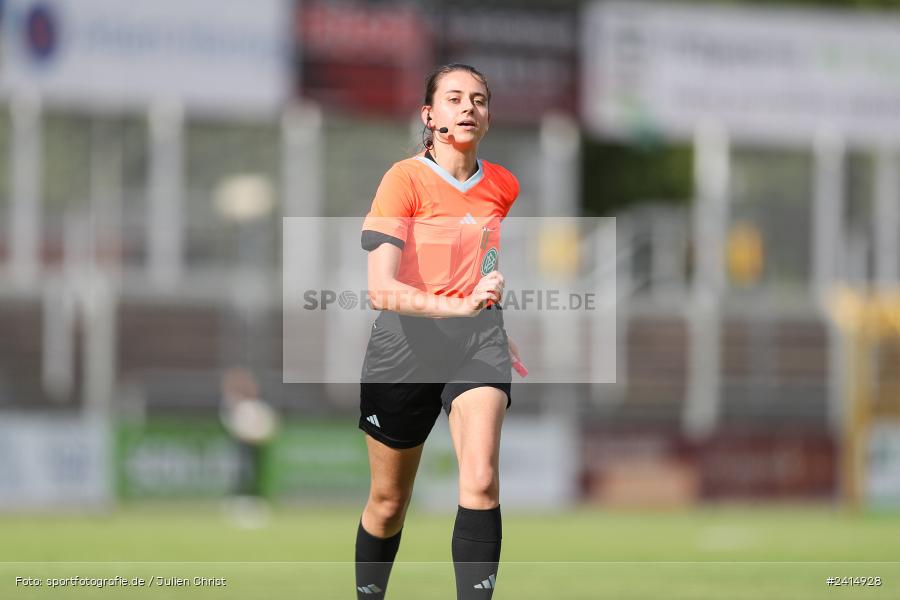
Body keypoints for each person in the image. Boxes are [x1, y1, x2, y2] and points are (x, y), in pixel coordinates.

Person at [355, 64, 524, 599]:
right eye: (454, 98)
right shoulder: (403, 180)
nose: (468, 107)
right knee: (388, 503)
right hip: (403, 347)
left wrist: (489, 314)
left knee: (481, 479)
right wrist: (460, 306)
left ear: (488, 116)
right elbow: (381, 290)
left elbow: (478, 257)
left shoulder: (503, 184)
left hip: (478, 341)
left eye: (479, 99)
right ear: (429, 116)